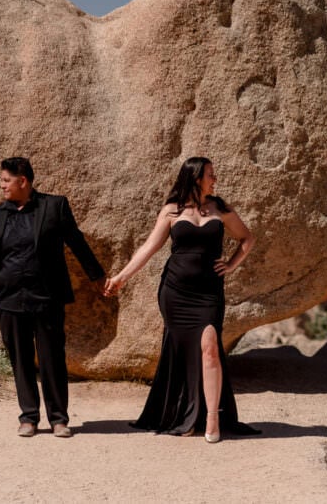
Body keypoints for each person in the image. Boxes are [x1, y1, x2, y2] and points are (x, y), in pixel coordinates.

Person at [103, 156, 260, 443]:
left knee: (210, 347)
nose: (215, 179)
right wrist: (120, 278)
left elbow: (247, 239)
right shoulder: (171, 211)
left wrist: (232, 264)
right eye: (211, 174)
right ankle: (182, 411)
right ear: (196, 177)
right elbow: (149, 248)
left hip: (209, 293)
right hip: (175, 293)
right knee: (183, 352)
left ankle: (212, 417)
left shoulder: (220, 209)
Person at [0, 156, 105, 438]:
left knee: (52, 358)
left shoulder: (54, 206)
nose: (1, 185)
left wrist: (97, 277)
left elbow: (77, 242)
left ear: (22, 181)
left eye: (5, 180)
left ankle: (59, 419)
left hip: (47, 298)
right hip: (10, 299)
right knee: (20, 360)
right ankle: (29, 417)